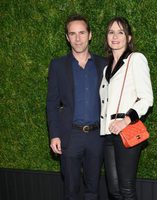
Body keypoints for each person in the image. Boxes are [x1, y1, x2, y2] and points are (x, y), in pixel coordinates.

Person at [46, 14, 106, 200]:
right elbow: (52, 103)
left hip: (97, 136)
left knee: (93, 190)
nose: (77, 38)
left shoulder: (103, 64)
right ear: (67, 37)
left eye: (82, 33)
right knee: (71, 190)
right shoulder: (58, 66)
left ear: (90, 35)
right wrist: (54, 134)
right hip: (70, 136)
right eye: (73, 34)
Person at [100, 17, 153, 200]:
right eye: (111, 32)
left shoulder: (136, 59)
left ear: (128, 37)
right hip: (107, 134)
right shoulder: (107, 67)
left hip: (126, 131)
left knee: (126, 190)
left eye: (120, 32)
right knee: (114, 191)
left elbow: (147, 98)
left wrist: (125, 120)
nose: (115, 36)